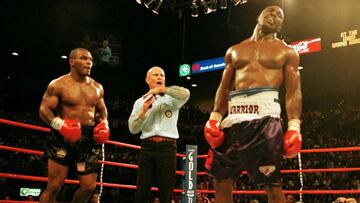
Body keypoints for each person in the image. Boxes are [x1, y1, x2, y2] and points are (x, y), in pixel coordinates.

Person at [203, 5, 302, 203]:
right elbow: (224, 88)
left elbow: (293, 91)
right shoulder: (235, 50)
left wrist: (294, 126)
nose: (274, 15)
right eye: (270, 11)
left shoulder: (287, 51)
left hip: (265, 120)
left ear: (280, 26)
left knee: (271, 184)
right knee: (221, 180)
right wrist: (214, 117)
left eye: (279, 16)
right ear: (259, 15)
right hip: (233, 119)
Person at [39, 48, 110, 203]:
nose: (89, 62)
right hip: (62, 138)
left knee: (89, 187)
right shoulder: (58, 85)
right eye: (84, 58)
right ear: (72, 62)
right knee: (54, 186)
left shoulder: (97, 87)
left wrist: (104, 124)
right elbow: (44, 110)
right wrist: (60, 125)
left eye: (90, 60)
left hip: (88, 140)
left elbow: (102, 112)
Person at [128, 66, 190, 203]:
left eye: (162, 75)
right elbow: (133, 129)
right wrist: (143, 111)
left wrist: (162, 90)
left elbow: (186, 93)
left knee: (166, 191)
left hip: (168, 147)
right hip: (147, 147)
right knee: (142, 191)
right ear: (147, 80)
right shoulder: (140, 102)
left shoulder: (172, 99)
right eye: (156, 75)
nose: (160, 77)